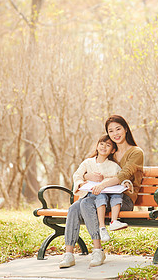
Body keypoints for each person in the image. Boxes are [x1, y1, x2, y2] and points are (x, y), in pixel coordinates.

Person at [59, 115, 144, 269]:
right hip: (100, 197)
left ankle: (98, 250)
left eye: (118, 129)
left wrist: (103, 184)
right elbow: (92, 167)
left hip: (121, 200)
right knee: (73, 208)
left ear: (125, 129)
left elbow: (123, 175)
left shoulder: (136, 152)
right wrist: (86, 176)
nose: (115, 133)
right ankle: (69, 253)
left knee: (85, 203)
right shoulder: (110, 151)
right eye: (111, 131)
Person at [72, 134, 128, 244]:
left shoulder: (113, 165)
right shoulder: (87, 162)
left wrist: (126, 183)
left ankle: (114, 221)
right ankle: (102, 228)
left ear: (112, 150)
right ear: (97, 146)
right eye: (101, 144)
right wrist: (84, 178)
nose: (103, 147)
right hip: (95, 194)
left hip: (111, 194)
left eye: (108, 145)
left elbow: (121, 178)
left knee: (117, 195)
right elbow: (77, 175)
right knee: (99, 195)